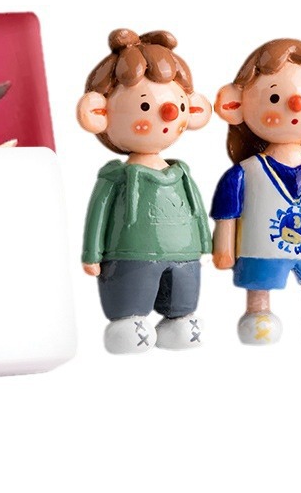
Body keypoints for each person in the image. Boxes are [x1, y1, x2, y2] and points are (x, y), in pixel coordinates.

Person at [210, 38, 301, 344]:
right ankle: (258, 311)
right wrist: (224, 250)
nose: (296, 105)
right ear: (234, 105)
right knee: (259, 283)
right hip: (259, 250)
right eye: (275, 97)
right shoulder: (244, 173)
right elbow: (227, 216)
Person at [78, 29, 212, 354]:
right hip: (129, 253)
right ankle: (128, 324)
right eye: (144, 105)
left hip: (184, 254)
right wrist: (92, 254)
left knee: (182, 298)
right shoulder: (116, 177)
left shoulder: (181, 172)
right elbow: (98, 215)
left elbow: (196, 210)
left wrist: (204, 244)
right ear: (98, 113)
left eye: (175, 104)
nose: (167, 113)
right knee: (130, 297)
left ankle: (179, 320)